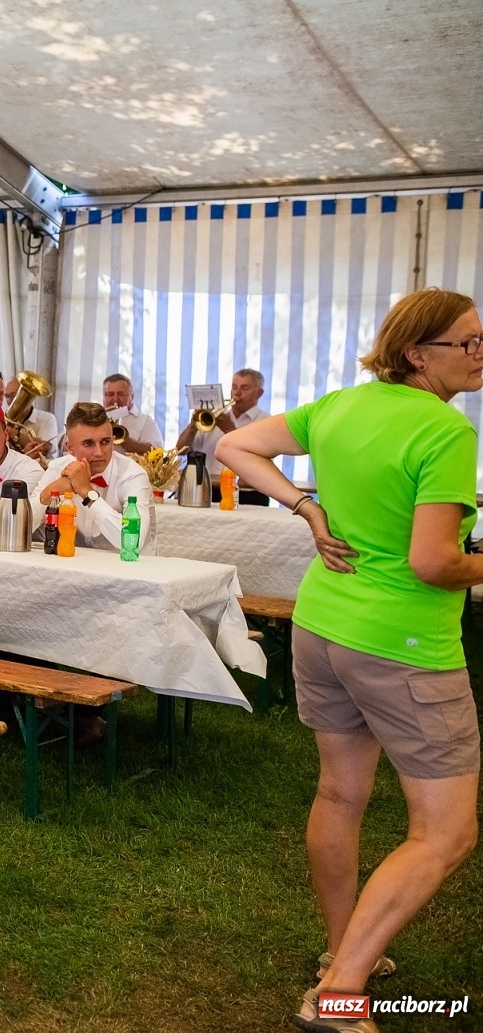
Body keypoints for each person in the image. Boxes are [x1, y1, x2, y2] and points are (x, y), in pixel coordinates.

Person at [216, 289, 481, 1033]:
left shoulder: (337, 406)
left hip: (323, 627)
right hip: (402, 646)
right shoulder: (445, 433)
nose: (479, 353)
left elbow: (234, 447)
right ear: (415, 354)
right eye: (466, 341)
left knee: (341, 795)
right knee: (447, 832)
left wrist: (305, 507)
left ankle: (343, 955)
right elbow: (434, 563)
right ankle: (339, 995)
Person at [37, 402, 155, 553]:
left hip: (132, 569)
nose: (99, 452)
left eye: (105, 442)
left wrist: (87, 493)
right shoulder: (58, 469)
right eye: (88, 444)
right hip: (79, 567)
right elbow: (23, 527)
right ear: (70, 448)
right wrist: (51, 491)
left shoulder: (133, 475)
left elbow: (133, 542)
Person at [176, 368, 271, 505]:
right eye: (234, 387)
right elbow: (181, 450)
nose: (237, 393)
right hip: (209, 489)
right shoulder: (213, 416)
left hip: (247, 493)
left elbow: (259, 456)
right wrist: (192, 426)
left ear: (259, 393)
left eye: (244, 388)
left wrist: (230, 430)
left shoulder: (266, 421)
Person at [102, 373, 163, 455]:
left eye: (121, 394)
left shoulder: (145, 421)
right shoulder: (95, 419)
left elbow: (157, 452)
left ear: (132, 396)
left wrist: (125, 440)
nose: (115, 399)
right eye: (110, 394)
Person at [3, 374, 60, 461]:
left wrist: (15, 435)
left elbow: (46, 448)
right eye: (7, 396)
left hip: (42, 470)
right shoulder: (3, 417)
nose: (10, 401)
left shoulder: (47, 418)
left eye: (14, 395)